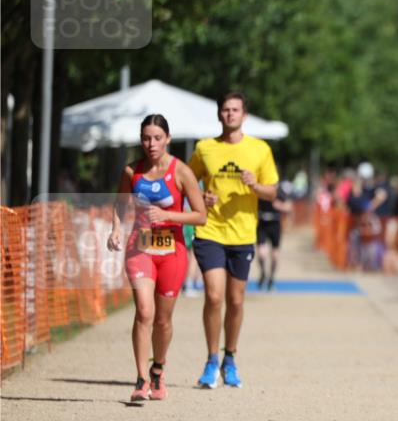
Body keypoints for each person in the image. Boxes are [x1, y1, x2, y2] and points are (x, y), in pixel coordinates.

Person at [107, 115, 207, 402]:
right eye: (146, 138)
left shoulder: (181, 172)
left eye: (157, 138)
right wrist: (115, 229)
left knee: (163, 320)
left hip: (172, 252)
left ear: (168, 139)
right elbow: (119, 204)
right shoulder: (132, 171)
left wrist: (168, 216)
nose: (151, 144)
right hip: (140, 250)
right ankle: (140, 380)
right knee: (145, 312)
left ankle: (158, 370)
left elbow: (200, 216)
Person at [188, 91, 279, 388]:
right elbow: (186, 183)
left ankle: (230, 357)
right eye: (225, 110)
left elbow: (273, 192)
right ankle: (211, 360)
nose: (230, 114)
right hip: (210, 231)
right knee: (214, 296)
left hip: (242, 233)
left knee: (235, 300)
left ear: (244, 115)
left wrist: (256, 186)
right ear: (219, 115)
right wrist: (201, 196)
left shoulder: (260, 149)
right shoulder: (205, 149)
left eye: (235, 110)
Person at [256, 179, 293, 290]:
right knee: (262, 253)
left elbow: (289, 206)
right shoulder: (258, 188)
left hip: (275, 224)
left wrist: (279, 206)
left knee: (275, 255)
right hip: (262, 223)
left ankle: (271, 278)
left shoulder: (279, 190)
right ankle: (263, 273)